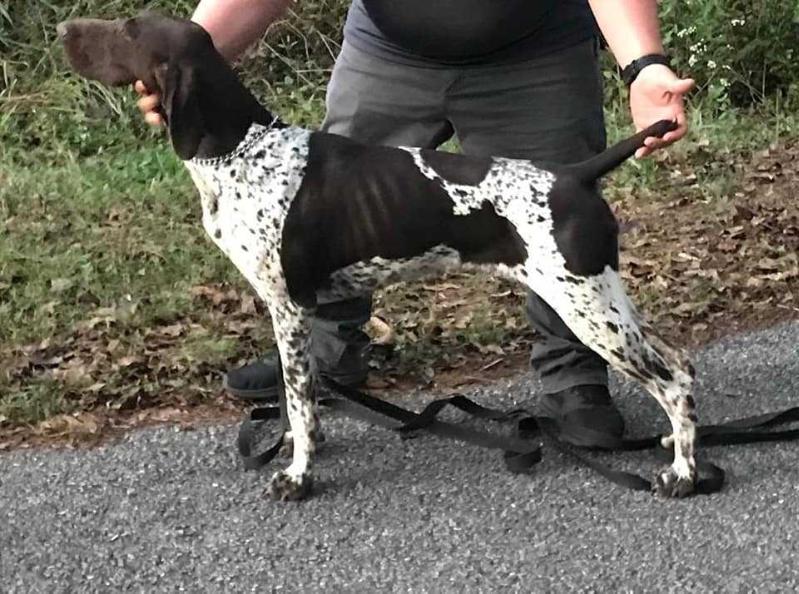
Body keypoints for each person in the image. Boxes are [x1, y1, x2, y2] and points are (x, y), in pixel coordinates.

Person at [136, 0, 694, 445]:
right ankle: (330, 351)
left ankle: (574, 372)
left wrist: (643, 66)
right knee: (325, 216)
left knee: (552, 222)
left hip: (537, 59)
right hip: (387, 54)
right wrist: (191, 60)